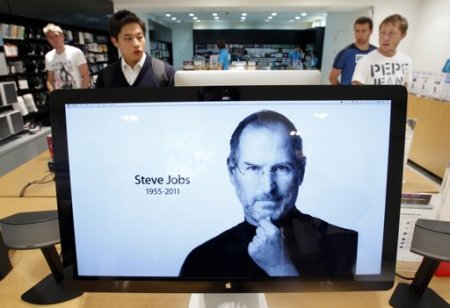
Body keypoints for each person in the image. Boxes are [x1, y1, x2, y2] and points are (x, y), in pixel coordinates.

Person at [179, 110, 358, 278]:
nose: (267, 187)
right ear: (232, 171)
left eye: (281, 168)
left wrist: (281, 269)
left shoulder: (343, 244)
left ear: (300, 172)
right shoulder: (200, 260)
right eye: (253, 168)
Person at [95, 10, 175, 88]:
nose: (136, 44)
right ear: (115, 41)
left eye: (140, 37)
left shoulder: (165, 72)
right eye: (128, 38)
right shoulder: (106, 76)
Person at [352, 14, 411, 86]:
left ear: (403, 35)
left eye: (392, 33)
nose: (385, 38)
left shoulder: (407, 61)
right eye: (382, 33)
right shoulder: (365, 61)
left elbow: (405, 90)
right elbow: (355, 94)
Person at [329, 17, 376, 85]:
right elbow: (332, 78)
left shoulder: (376, 53)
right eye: (357, 31)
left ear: (370, 31)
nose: (359, 35)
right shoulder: (345, 53)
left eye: (363, 31)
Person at [43, 23, 90, 91]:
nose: (54, 39)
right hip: (60, 97)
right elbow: (50, 79)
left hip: (77, 95)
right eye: (50, 37)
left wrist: (81, 95)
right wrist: (53, 94)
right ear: (48, 40)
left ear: (62, 36)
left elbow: (85, 75)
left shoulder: (76, 52)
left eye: (56, 35)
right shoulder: (48, 56)